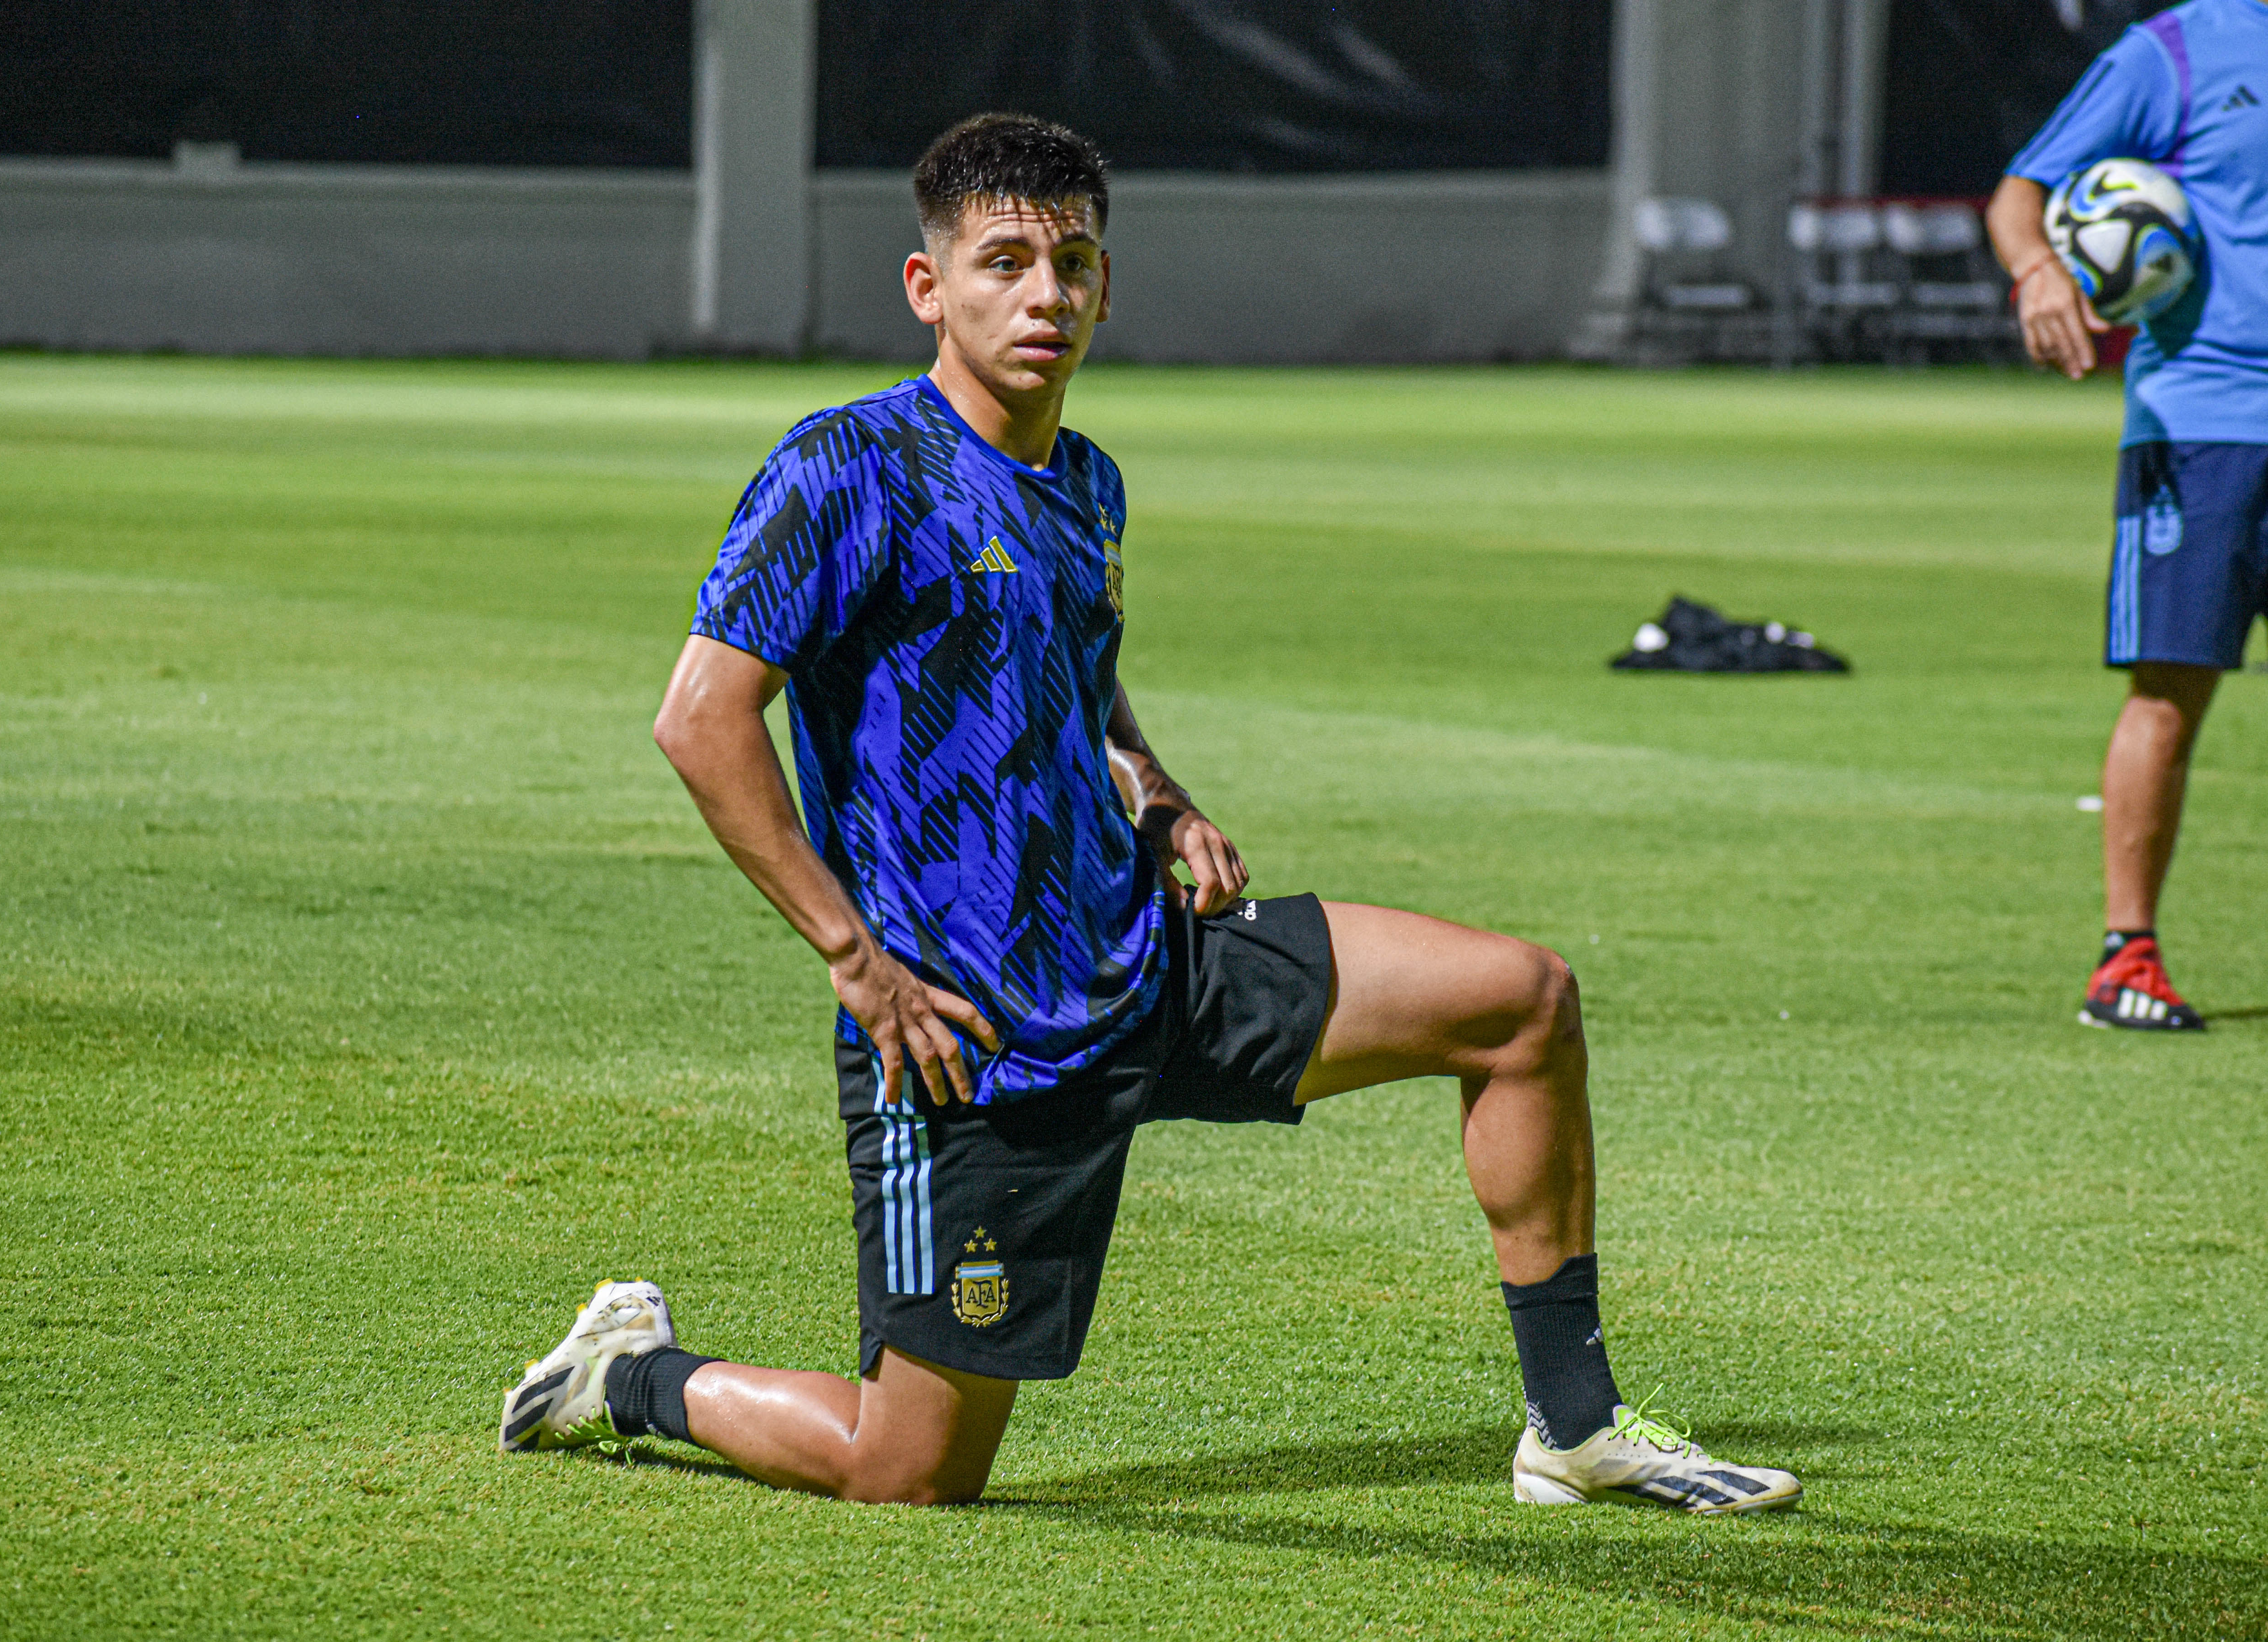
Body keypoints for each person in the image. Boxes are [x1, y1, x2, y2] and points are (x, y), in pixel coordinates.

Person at [495, 113, 1802, 1514]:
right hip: (965, 1036)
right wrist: (853, 960)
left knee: (1521, 1001)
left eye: (1070, 261)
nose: (1043, 294)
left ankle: (1574, 1422)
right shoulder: (844, 469)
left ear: (1105, 284)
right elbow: (699, 722)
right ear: (928, 289)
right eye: (1003, 262)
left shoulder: (1089, 483)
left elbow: (1082, 691)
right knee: (909, 1470)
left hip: (1144, 961)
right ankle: (627, 1374)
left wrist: (1160, 798)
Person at [1987, 0, 2268, 1031]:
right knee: (2170, 687)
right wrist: (2037, 268)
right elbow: (2020, 195)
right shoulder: (2177, 50)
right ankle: (2127, 961)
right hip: (2204, 416)